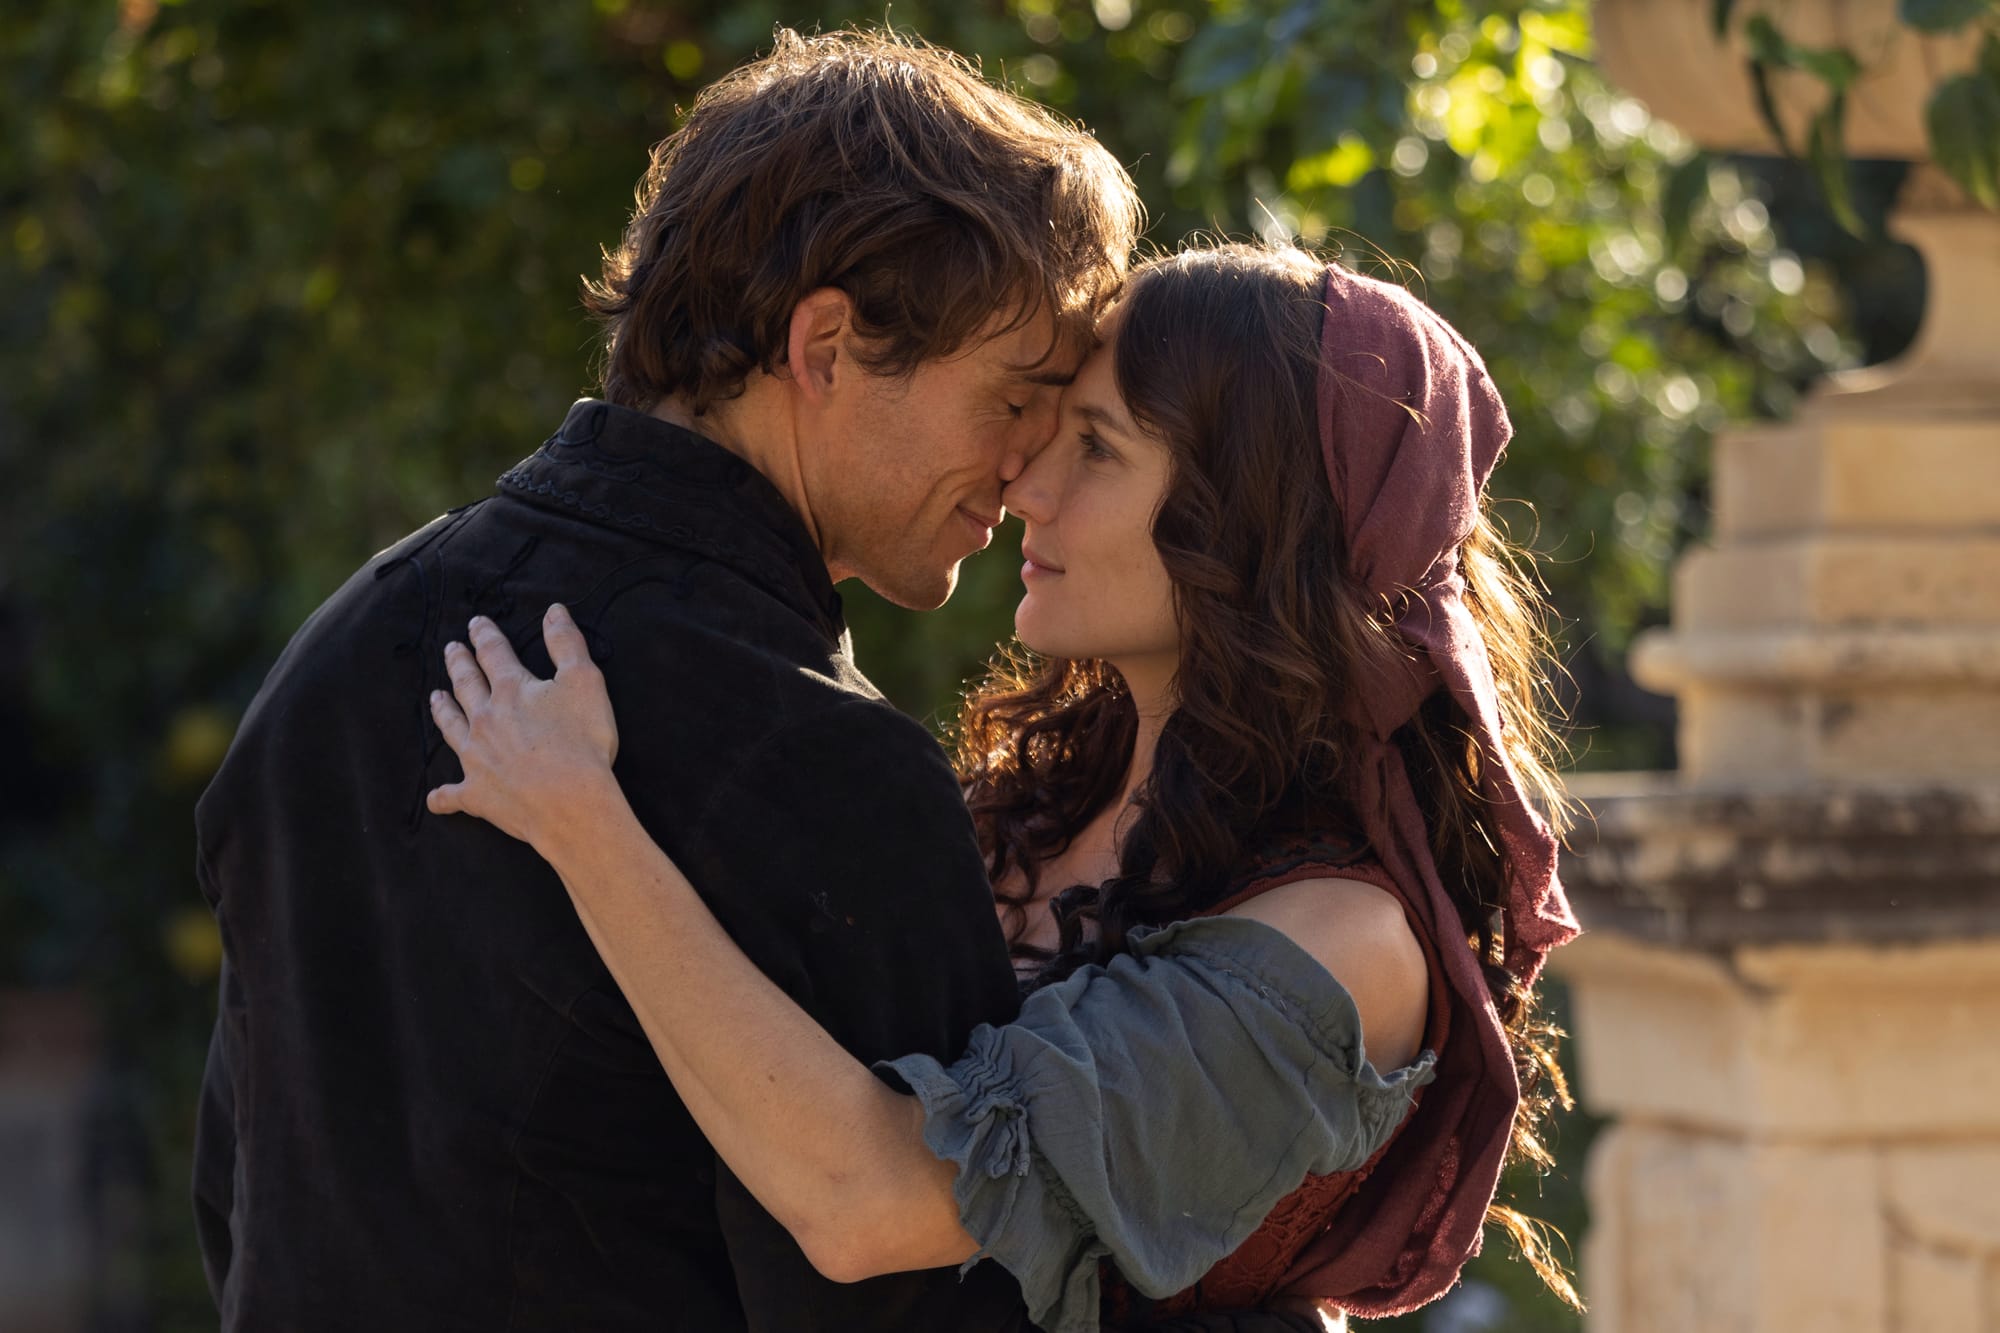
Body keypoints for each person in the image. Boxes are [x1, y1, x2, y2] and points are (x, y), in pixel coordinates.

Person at [422, 243, 1586, 1332]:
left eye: (1097, 446)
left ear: (1249, 525)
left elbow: (867, 1202)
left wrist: (585, 824)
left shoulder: (1339, 945)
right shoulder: (1028, 805)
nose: (1023, 482)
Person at [191, 28, 1140, 1331]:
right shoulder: (831, 767)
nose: (1031, 470)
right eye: (1018, 397)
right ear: (826, 348)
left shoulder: (335, 659)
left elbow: (240, 1204)